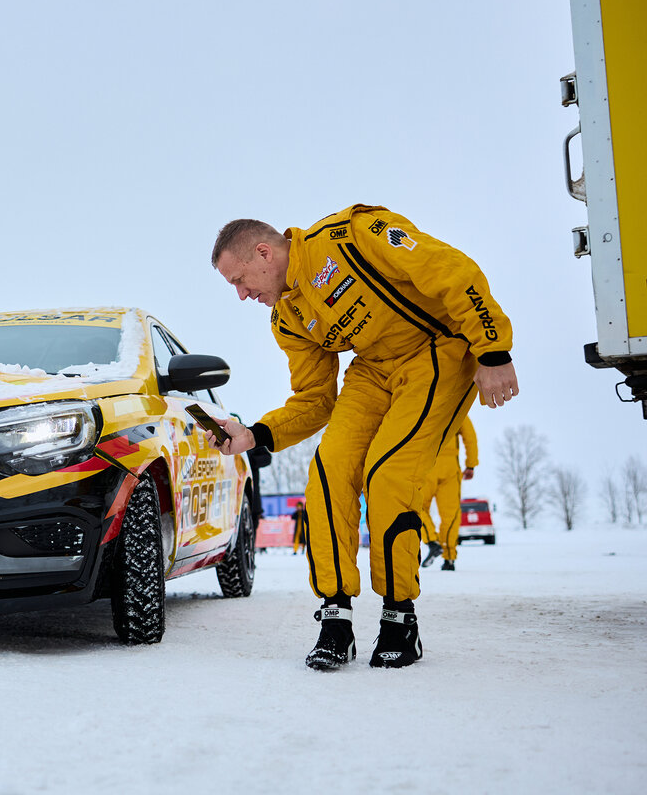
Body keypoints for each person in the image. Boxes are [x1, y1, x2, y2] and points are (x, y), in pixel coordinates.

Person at [207, 204, 518, 670]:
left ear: (264, 252)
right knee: (329, 474)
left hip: (437, 346)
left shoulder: (350, 237)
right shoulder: (288, 319)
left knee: (388, 476)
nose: (241, 294)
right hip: (372, 370)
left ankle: (399, 620)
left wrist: (493, 349)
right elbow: (315, 399)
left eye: (238, 280)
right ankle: (336, 622)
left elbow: (452, 269)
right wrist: (253, 434)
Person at [420, 413, 478, 571]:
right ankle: (449, 559)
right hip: (451, 469)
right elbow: (470, 436)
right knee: (450, 515)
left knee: (417, 506)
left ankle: (432, 542)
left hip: (426, 466)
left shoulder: (423, 404)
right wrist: (471, 464)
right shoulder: (457, 407)